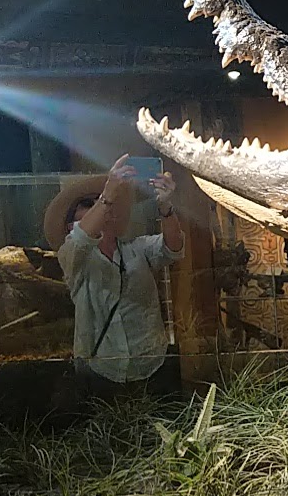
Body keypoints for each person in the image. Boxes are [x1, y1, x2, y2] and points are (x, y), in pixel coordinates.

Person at [45, 154, 185, 401]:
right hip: (100, 370)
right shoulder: (73, 258)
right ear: (70, 226)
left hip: (151, 364)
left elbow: (173, 248)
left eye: (101, 203)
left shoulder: (137, 249)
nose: (101, 208)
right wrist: (108, 194)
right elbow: (80, 241)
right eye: (87, 205)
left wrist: (166, 207)